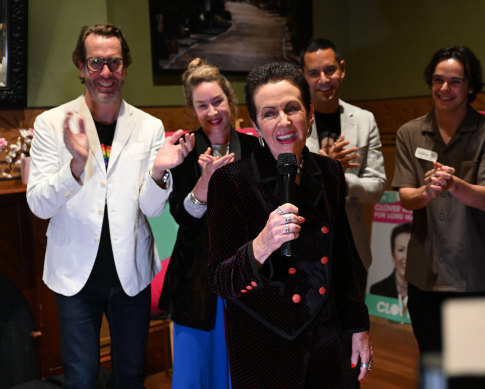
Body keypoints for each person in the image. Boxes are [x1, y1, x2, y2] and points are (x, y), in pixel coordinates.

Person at [26, 24, 193, 388]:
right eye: (96, 62)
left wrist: (161, 170)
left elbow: (151, 210)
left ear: (125, 67)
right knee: (82, 377)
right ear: (82, 67)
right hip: (74, 276)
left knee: (130, 376)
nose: (105, 72)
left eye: (114, 63)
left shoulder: (149, 127)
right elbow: (39, 204)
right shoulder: (51, 124)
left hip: (131, 274)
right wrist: (74, 165)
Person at [206, 62, 373, 388]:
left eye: (291, 108)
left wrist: (359, 326)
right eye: (269, 113)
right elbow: (219, 280)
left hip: (327, 333)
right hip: (262, 342)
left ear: (309, 115)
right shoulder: (231, 182)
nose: (283, 121)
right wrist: (261, 245)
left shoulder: (329, 172)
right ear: (255, 125)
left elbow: (343, 259)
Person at [392, 46, 485, 354]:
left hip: (475, 277)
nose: (445, 88)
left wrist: (454, 184)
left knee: (479, 368)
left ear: (470, 86)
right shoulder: (409, 132)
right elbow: (406, 198)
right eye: (438, 80)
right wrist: (426, 192)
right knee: (434, 364)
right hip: (424, 276)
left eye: (455, 81)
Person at [158, 58, 257, 388]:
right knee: (196, 372)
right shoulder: (183, 148)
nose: (212, 111)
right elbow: (181, 216)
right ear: (192, 109)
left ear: (230, 98)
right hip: (196, 280)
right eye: (202, 106)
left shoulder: (255, 147)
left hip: (245, 275)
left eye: (217, 101)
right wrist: (205, 182)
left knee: (241, 368)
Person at [301, 38, 387, 271]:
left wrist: (339, 177)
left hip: (352, 246)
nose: (324, 80)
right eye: (314, 73)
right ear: (303, 76)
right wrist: (324, 168)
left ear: (343, 69)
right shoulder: (291, 121)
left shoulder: (364, 119)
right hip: (305, 246)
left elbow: (377, 188)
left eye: (330, 70)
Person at [370, 222, 412, 298]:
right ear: (393, 255)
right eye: (401, 250)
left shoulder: (425, 293)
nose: (406, 256)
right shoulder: (377, 290)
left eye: (411, 250)